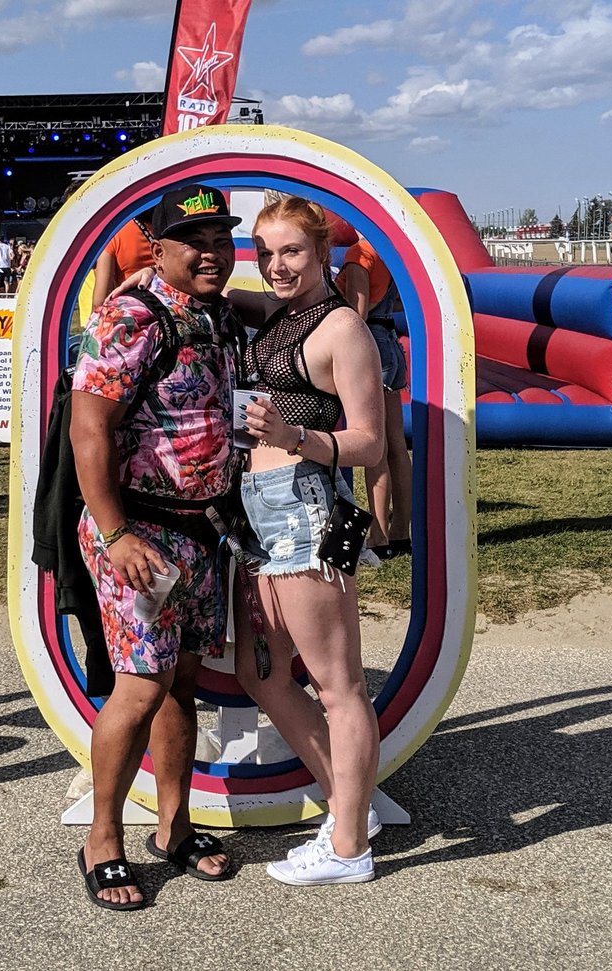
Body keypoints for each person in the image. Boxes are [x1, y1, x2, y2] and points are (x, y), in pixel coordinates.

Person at [70, 184, 243, 910]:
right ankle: (101, 839)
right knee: (139, 686)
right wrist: (115, 533)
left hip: (200, 529)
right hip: (139, 531)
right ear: (159, 248)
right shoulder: (130, 316)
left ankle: (174, 826)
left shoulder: (213, 314)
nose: (210, 251)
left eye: (220, 238)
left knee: (180, 683)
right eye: (192, 240)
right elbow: (90, 428)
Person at [233, 196, 384, 885]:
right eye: (265, 252)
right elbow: (222, 295)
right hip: (260, 509)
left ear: (322, 251)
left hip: (305, 507)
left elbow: (370, 440)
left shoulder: (343, 327)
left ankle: (349, 845)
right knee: (259, 670)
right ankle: (350, 804)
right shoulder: (277, 317)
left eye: (291, 250)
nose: (276, 264)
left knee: (338, 684)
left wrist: (296, 437)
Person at [337, 236, 412, 559]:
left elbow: (358, 312)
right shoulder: (390, 252)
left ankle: (378, 536)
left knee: (373, 446)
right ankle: (401, 532)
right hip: (391, 342)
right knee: (396, 444)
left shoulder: (359, 255)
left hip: (372, 344)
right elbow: (394, 303)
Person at [92, 215, 155, 307]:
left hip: (134, 310)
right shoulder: (171, 223)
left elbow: (100, 300)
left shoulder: (113, 234)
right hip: (170, 306)